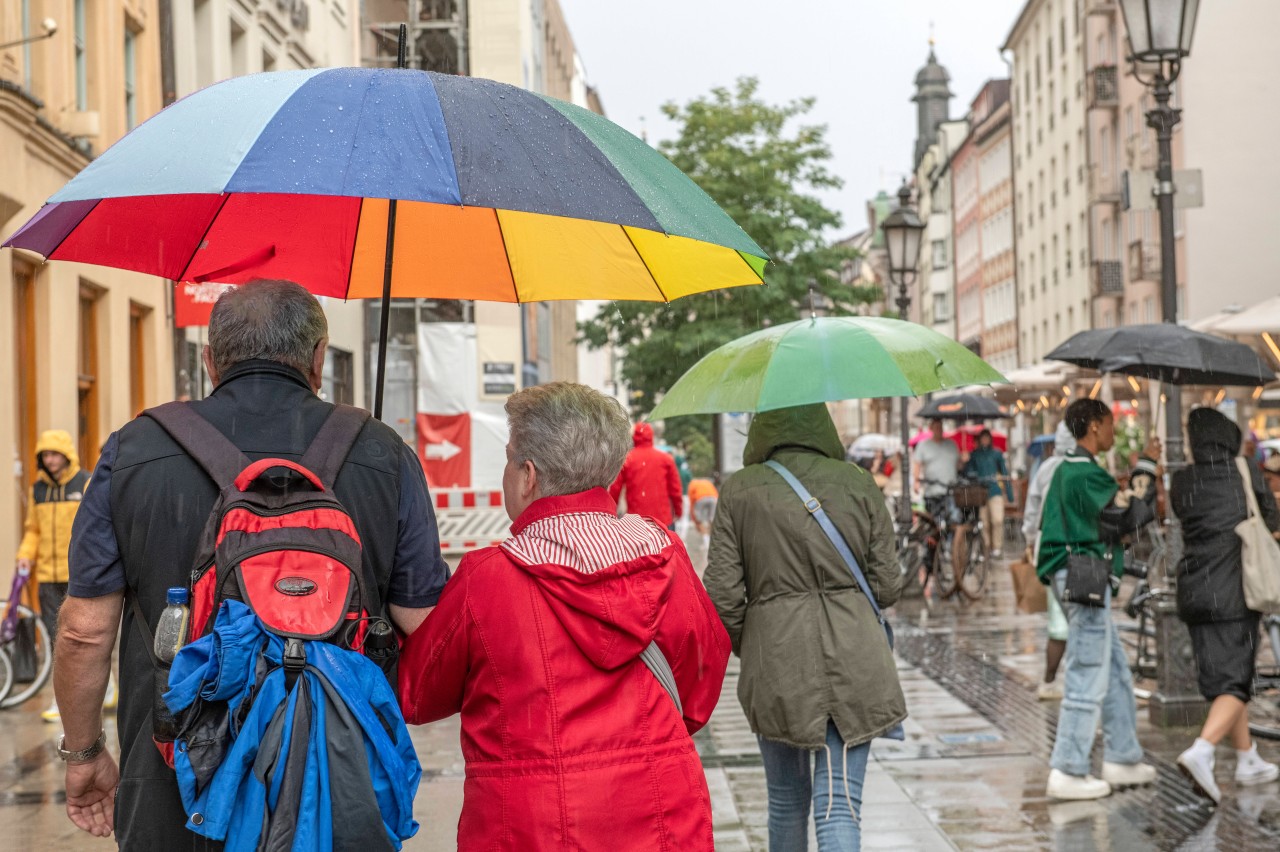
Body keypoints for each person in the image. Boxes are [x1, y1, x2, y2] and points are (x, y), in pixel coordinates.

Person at [56, 281, 450, 847]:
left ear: (210, 359)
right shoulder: (383, 452)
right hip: (341, 785)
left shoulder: (135, 449)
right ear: (318, 359)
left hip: (175, 783)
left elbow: (83, 631)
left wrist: (85, 751)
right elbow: (427, 628)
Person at [399, 382, 730, 851]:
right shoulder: (666, 555)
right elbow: (701, 683)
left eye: (509, 459)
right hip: (663, 815)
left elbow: (417, 694)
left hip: (528, 828)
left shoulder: (486, 578)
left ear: (528, 475)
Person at [705, 403, 906, 850]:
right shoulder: (857, 482)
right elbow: (889, 586)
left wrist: (756, 640)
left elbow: (720, 595)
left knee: (784, 801)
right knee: (838, 804)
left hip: (775, 664)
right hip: (854, 659)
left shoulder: (739, 491)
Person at [1039, 399, 1160, 801]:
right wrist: (1145, 466)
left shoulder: (1072, 469)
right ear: (1093, 426)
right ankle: (1068, 768)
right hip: (1084, 573)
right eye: (1109, 424)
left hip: (1075, 573)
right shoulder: (1081, 472)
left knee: (1114, 671)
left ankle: (1123, 757)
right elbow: (1127, 515)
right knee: (1087, 673)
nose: (1112, 431)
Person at [1173, 407, 1280, 803]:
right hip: (1234, 588)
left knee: (1224, 678)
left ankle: (1248, 757)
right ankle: (1202, 752)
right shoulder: (1244, 469)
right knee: (1235, 679)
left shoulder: (1182, 479)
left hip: (1194, 590)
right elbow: (1269, 518)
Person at [15, 430, 98, 721]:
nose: (49, 460)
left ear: (66, 454)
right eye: (45, 455)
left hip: (78, 573)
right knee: (56, 640)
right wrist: (25, 556)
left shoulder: (84, 483)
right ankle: (60, 701)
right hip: (48, 576)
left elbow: (93, 527)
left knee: (84, 637)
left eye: (54, 454)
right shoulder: (37, 490)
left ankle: (106, 687)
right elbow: (33, 531)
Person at [1020, 421, 1076, 702]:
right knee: (1073, 621)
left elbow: (1032, 510)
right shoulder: (1078, 468)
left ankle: (1053, 680)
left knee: (1060, 620)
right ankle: (1058, 680)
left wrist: (1030, 539)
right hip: (1074, 552)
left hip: (1049, 550)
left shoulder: (1046, 469)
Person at [913, 418, 968, 580]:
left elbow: (958, 467)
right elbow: (917, 464)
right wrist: (916, 481)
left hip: (949, 491)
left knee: (954, 521)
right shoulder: (924, 446)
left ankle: (951, 550)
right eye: (936, 427)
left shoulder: (951, 445)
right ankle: (933, 559)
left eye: (940, 426)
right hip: (932, 493)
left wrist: (963, 461)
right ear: (931, 428)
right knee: (934, 527)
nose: (939, 429)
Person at [609, 421, 684, 529]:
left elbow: (615, 489)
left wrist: (611, 512)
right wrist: (678, 511)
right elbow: (675, 490)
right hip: (662, 519)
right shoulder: (666, 459)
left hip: (636, 521)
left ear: (634, 436)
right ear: (651, 436)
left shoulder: (627, 460)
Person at [963, 428, 1013, 558]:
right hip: (980, 492)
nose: (985, 440)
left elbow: (1004, 472)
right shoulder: (974, 455)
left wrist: (1009, 493)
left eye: (987, 438)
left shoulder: (996, 454)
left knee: (997, 519)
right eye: (983, 438)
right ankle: (986, 546)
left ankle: (996, 546)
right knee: (983, 522)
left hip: (994, 490)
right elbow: (968, 472)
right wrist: (967, 466)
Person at [687, 473, 719, 546]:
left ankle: (706, 541)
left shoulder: (692, 484)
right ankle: (714, 539)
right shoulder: (707, 482)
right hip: (714, 498)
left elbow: (692, 502)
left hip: (700, 498)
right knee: (712, 519)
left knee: (700, 520)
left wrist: (694, 518)